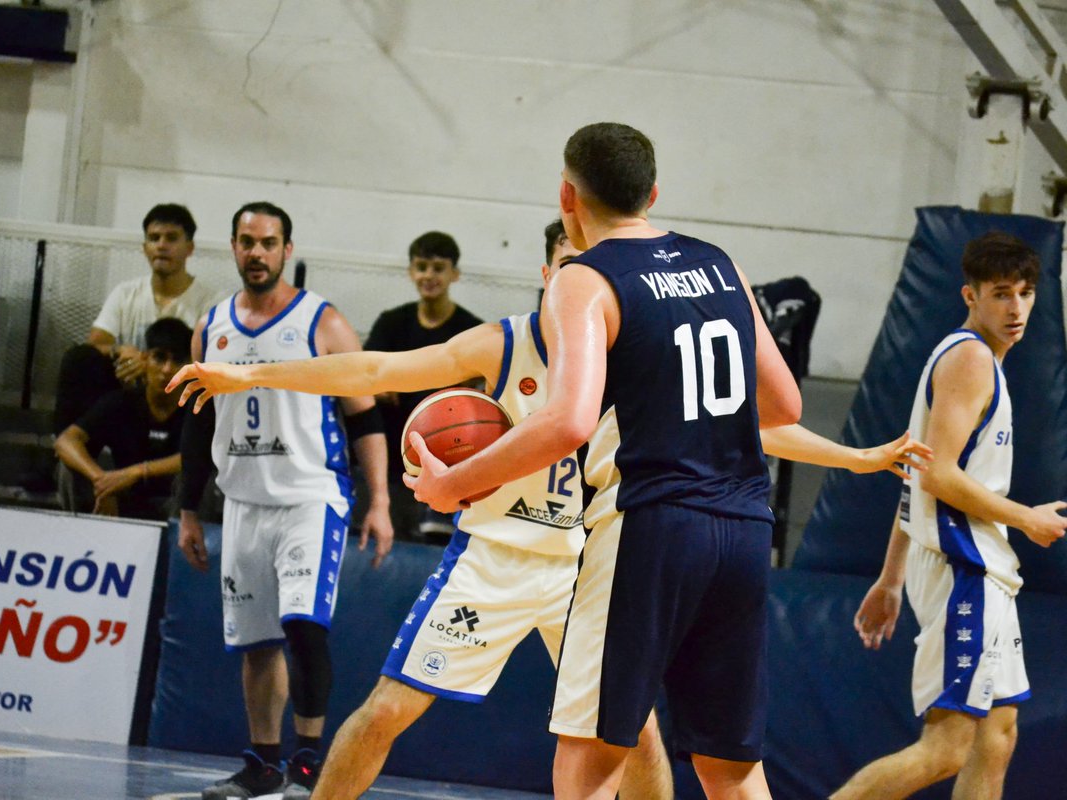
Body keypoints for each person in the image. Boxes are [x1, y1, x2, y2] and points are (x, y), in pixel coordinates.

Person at [169, 219, 929, 800]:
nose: (582, 278)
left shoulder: (635, 349)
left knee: (640, 738)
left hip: (591, 561)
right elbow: (377, 366)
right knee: (387, 710)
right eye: (569, 265)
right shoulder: (503, 344)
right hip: (495, 560)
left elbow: (760, 419)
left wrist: (856, 457)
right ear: (549, 274)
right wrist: (252, 373)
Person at [405, 122, 802, 800]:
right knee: (731, 770)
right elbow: (784, 403)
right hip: (743, 527)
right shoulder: (720, 263)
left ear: (568, 195)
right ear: (652, 193)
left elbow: (568, 421)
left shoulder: (582, 279)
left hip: (650, 528)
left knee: (588, 760)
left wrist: (454, 483)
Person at [832, 232, 1066, 800]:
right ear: (970, 295)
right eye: (1001, 294)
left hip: (967, 565)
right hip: (965, 568)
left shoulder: (966, 356)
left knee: (1000, 733)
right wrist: (1025, 518)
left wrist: (890, 579)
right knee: (945, 750)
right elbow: (938, 478)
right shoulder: (969, 360)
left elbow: (913, 473)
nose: (1015, 309)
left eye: (1026, 294)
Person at [175, 201, 393, 800]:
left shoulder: (322, 322)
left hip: (310, 495)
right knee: (255, 641)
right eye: (246, 242)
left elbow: (367, 416)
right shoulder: (211, 324)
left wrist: (380, 502)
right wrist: (189, 509)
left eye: (268, 243)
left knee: (302, 625)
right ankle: (264, 764)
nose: (257, 253)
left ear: (286, 250)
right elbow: (195, 426)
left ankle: (309, 761)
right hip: (242, 500)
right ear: (234, 246)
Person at [52, 203, 224, 434]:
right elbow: (95, 343)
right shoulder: (126, 292)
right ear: (145, 248)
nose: (162, 245)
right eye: (154, 238)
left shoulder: (211, 300)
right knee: (79, 359)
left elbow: (215, 361)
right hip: (131, 395)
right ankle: (64, 448)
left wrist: (155, 366)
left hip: (180, 399)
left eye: (171, 238)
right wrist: (119, 351)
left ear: (189, 248)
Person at [364, 231, 482, 541]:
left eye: (438, 268)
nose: (428, 275)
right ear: (410, 271)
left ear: (454, 274)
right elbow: (369, 381)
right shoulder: (391, 322)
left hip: (447, 457)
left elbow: (473, 396)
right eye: (421, 267)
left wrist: (397, 381)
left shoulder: (471, 330)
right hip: (392, 454)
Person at [54, 317, 192, 520]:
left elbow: (202, 456)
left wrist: (136, 472)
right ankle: (82, 536)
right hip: (120, 499)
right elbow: (66, 440)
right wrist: (100, 481)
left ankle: (182, 549)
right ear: (144, 359)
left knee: (197, 478)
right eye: (160, 358)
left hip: (173, 506)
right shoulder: (121, 402)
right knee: (67, 469)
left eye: (177, 361)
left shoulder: (198, 407)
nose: (167, 370)